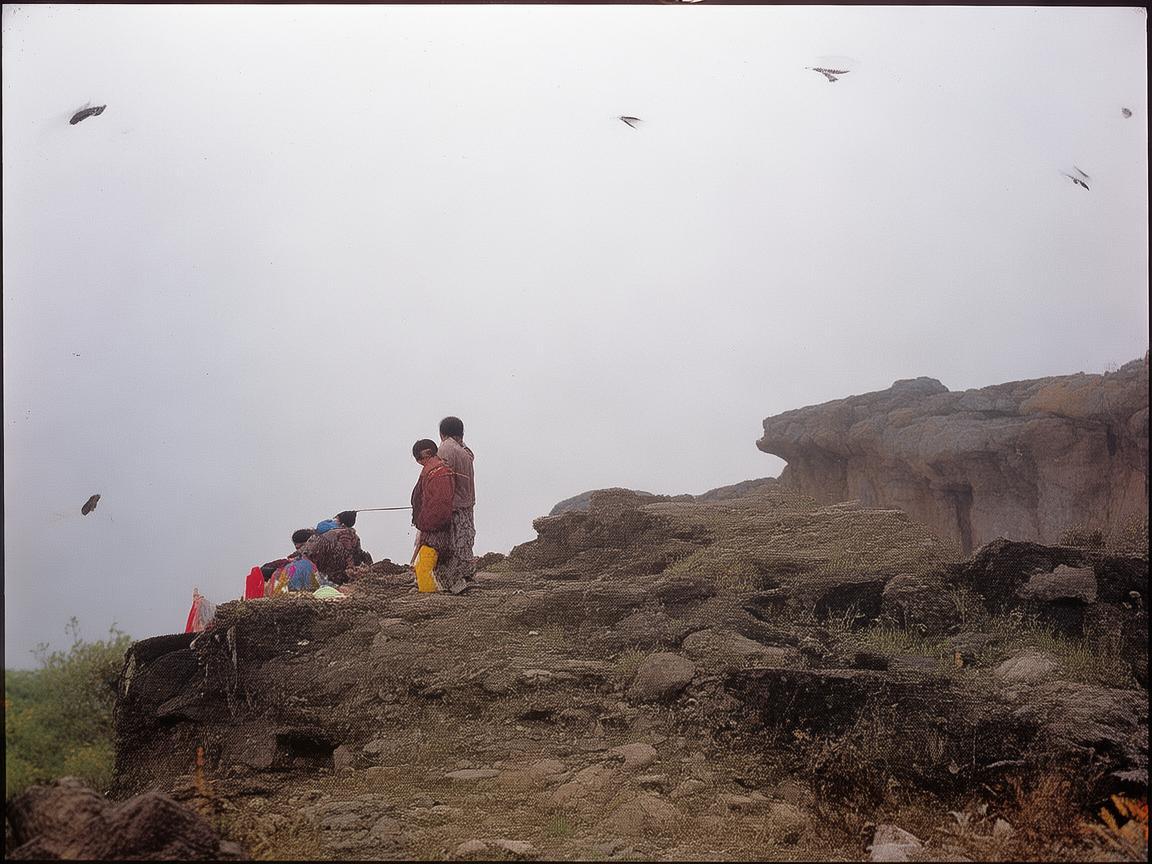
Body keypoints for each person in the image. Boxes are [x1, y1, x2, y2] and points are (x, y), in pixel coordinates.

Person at [434, 416, 477, 594]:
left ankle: (454, 580)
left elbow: (442, 479)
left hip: (453, 505)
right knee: (464, 540)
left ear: (442, 433)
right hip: (466, 502)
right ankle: (465, 576)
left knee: (451, 543)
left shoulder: (445, 448)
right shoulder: (464, 450)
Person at [410, 439, 456, 591]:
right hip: (432, 529)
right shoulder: (434, 470)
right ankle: (435, 595)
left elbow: (441, 506)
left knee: (423, 568)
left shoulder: (438, 473)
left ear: (423, 456)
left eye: (419, 459)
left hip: (435, 531)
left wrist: (426, 526)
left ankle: (430, 601)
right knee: (429, 569)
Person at [297, 510, 367, 584]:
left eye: (337, 519)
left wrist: (350, 567)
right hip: (338, 575)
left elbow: (348, 552)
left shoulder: (340, 534)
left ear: (341, 523)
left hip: (334, 575)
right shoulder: (354, 537)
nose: (335, 521)